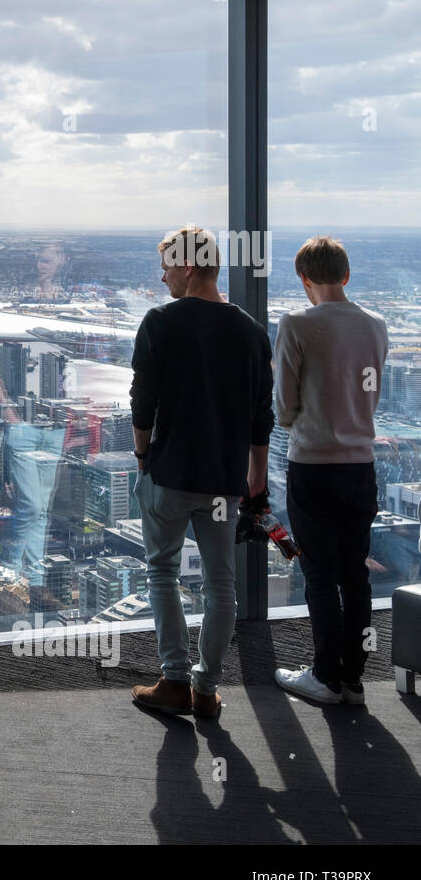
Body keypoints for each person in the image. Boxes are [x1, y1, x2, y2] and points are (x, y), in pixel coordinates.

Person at [129, 225, 273, 719]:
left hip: (169, 473)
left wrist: (143, 458)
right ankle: (206, 690)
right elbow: (261, 418)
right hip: (221, 485)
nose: (163, 275)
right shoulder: (253, 332)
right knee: (221, 584)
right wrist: (256, 479)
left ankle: (173, 680)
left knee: (163, 572)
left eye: (167, 265)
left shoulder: (160, 323)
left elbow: (143, 401)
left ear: (188, 267)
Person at [273, 236, 388, 706]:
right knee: (354, 575)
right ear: (345, 275)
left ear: (304, 279)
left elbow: (283, 407)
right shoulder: (377, 325)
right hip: (361, 465)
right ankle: (354, 681)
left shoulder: (296, 324)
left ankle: (324, 677)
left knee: (319, 575)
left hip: (313, 466)